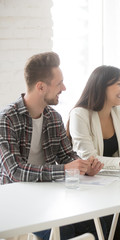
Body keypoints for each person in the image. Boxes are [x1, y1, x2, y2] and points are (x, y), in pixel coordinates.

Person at [0, 52, 103, 239]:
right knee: (65, 231)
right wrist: (64, 170)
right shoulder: (6, 119)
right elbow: (15, 171)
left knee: (102, 220)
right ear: (40, 87)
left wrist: (84, 166)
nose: (64, 87)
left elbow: (66, 155)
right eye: (59, 83)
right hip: (16, 199)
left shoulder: (53, 117)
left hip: (50, 194)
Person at [67, 65, 120, 239]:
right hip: (91, 187)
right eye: (119, 84)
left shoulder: (118, 111)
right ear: (102, 86)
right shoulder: (79, 114)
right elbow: (89, 159)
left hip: (116, 184)